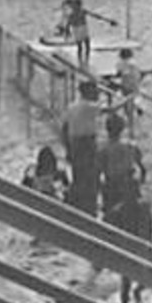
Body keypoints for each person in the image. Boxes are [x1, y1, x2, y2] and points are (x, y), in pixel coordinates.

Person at [99, 114, 151, 303]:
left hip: (113, 188)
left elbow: (101, 171)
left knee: (110, 221)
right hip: (131, 186)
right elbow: (143, 169)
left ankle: (106, 252)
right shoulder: (132, 146)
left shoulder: (104, 149)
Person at [60, 80, 102, 216]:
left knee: (79, 176)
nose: (97, 93)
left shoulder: (71, 107)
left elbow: (64, 128)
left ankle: (80, 208)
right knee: (90, 177)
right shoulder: (88, 106)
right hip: (87, 144)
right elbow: (110, 109)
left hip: (75, 144)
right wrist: (127, 100)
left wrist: (67, 147)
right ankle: (89, 210)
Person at [114, 47, 143, 133]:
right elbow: (138, 74)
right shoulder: (134, 62)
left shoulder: (121, 63)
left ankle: (130, 121)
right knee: (132, 98)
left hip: (126, 86)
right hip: (135, 84)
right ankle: (136, 108)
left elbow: (119, 73)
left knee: (126, 102)